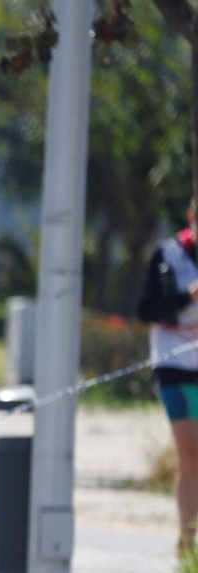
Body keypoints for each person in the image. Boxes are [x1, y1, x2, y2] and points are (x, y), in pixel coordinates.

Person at [136, 200, 198, 553]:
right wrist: (186, 297)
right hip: (174, 367)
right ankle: (186, 543)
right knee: (190, 454)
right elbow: (146, 310)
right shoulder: (167, 254)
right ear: (191, 217)